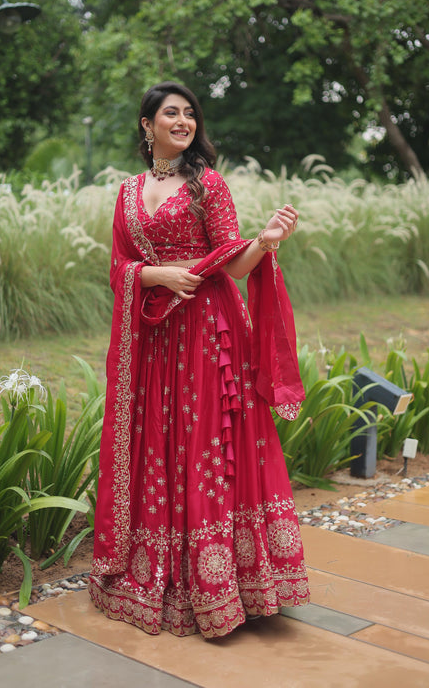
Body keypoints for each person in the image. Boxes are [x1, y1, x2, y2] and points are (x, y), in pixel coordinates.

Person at [89, 81, 309, 640]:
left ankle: (219, 588)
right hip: (155, 338)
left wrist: (267, 239)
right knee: (160, 445)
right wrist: (154, 274)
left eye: (190, 114)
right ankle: (155, 577)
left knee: (204, 446)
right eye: (171, 114)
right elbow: (118, 266)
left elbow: (233, 264)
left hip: (207, 334)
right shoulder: (127, 193)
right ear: (148, 124)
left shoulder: (206, 185)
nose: (183, 122)